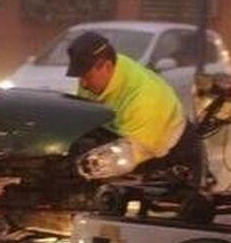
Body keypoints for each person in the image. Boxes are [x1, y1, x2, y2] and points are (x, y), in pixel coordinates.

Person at [68, 31, 202, 177]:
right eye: (80, 76)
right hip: (123, 140)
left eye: (87, 76)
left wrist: (80, 170)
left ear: (107, 66)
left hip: (169, 157)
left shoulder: (143, 97)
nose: (83, 83)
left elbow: (124, 157)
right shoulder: (96, 77)